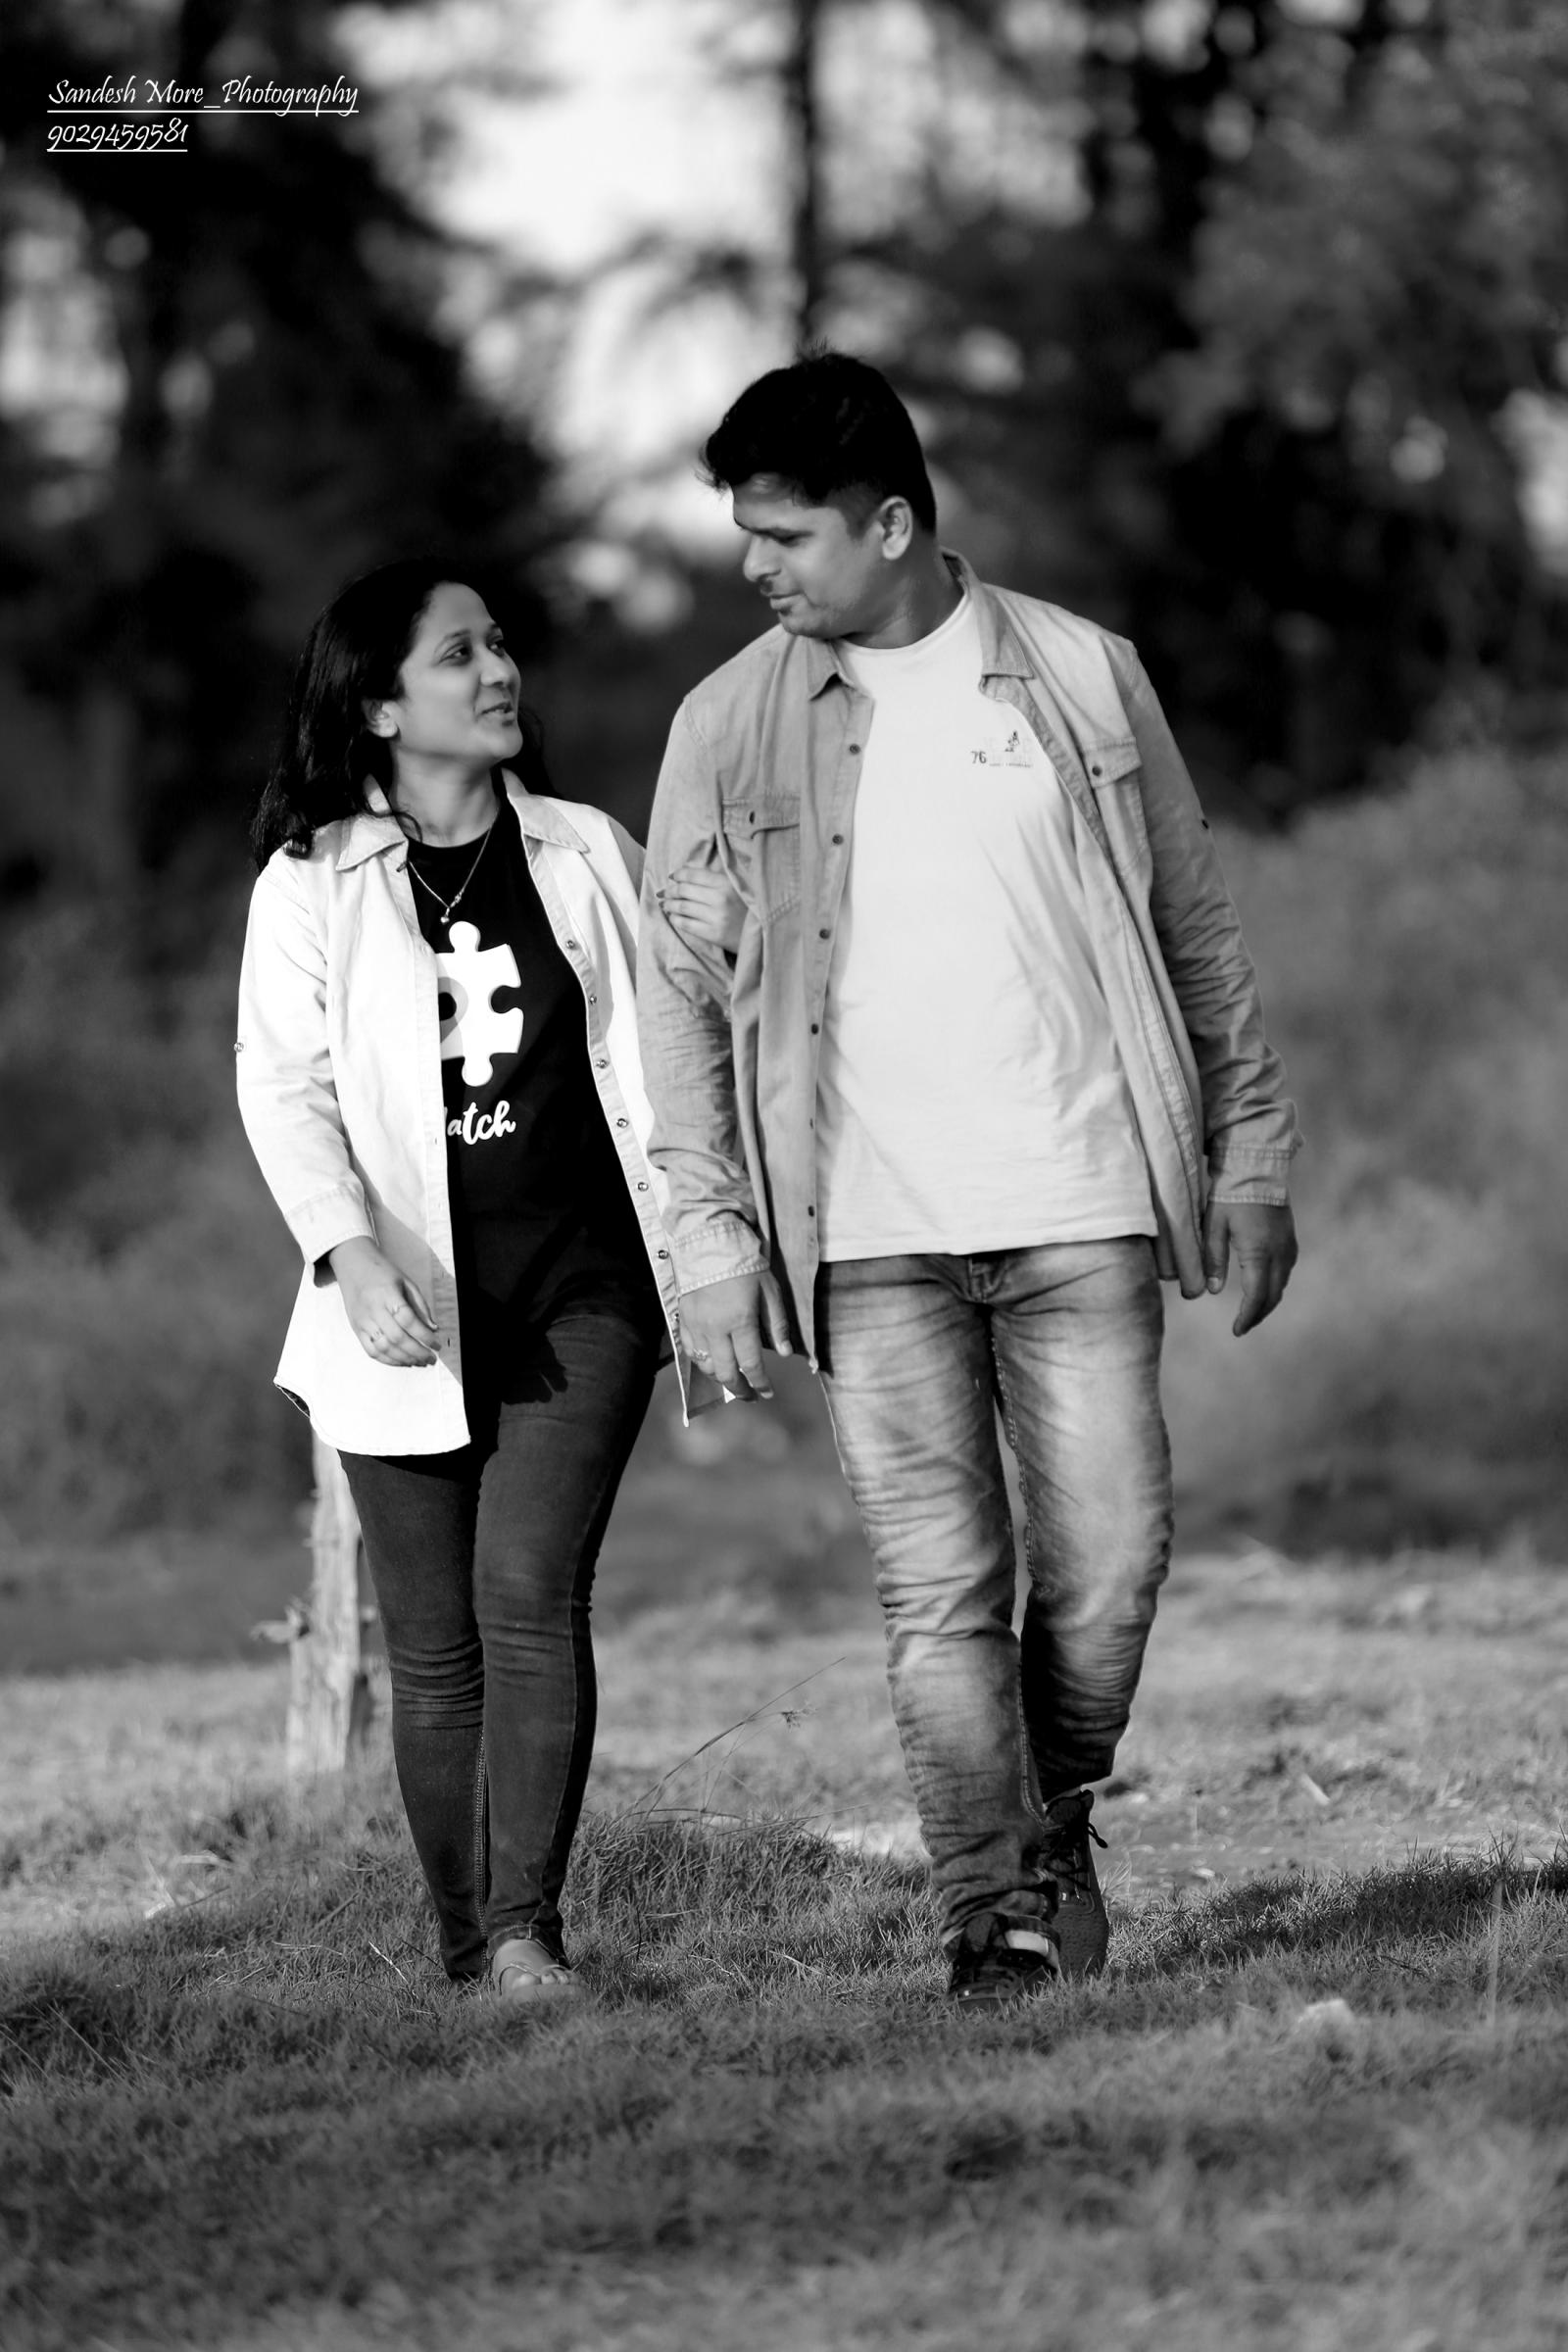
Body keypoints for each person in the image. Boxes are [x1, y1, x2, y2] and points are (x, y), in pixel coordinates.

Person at [637, 353, 1300, 2010]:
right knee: (940, 1596)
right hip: (866, 1235)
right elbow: (677, 1011)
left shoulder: (1082, 675)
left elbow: (1196, 933)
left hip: (1082, 1199)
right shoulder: (724, 724)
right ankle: (990, 1914)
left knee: (1111, 1567)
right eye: (746, 534)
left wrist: (1254, 1153)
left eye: (785, 536)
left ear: (890, 525)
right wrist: (708, 1241)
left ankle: (1047, 1812)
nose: (755, 567)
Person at [237, 558, 739, 2003]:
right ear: (381, 705)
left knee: (529, 1594)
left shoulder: (586, 851)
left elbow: (681, 1039)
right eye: (459, 655)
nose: (498, 671)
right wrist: (347, 1252)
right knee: (437, 1650)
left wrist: (715, 1245)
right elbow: (281, 1085)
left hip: (586, 1287)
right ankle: (471, 1952)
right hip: (399, 1302)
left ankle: (525, 1936)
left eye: (500, 645)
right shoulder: (312, 881)